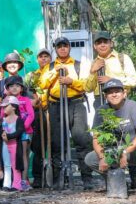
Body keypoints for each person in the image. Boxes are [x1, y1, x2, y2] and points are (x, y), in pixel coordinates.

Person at [85, 79, 136, 198]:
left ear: (124, 93)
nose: (114, 94)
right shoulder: (101, 111)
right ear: (105, 96)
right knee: (90, 159)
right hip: (112, 153)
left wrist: (124, 152)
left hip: (132, 151)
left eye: (117, 91)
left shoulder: (132, 106)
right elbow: (96, 138)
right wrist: (102, 157)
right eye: (110, 92)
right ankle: (116, 181)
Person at [38, 37, 94, 189]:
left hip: (76, 104)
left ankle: (87, 178)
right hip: (55, 105)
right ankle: (58, 179)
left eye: (65, 46)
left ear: (69, 48)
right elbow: (42, 84)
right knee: (57, 142)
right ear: (55, 49)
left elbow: (86, 85)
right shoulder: (49, 67)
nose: (62, 49)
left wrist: (71, 82)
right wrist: (54, 73)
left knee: (82, 139)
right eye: (59, 46)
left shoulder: (78, 65)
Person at [86, 31, 136, 108]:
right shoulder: (93, 63)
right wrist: (92, 72)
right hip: (99, 101)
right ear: (95, 46)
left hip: (120, 99)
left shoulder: (123, 58)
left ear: (111, 43)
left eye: (105, 42)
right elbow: (88, 89)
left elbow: (134, 80)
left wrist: (112, 81)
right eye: (99, 43)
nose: (102, 45)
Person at [0, 76, 35, 191]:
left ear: (21, 88)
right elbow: (2, 115)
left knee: (23, 155)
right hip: (9, 133)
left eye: (17, 85)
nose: (14, 88)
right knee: (9, 158)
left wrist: (21, 128)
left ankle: (24, 180)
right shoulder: (6, 100)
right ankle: (11, 181)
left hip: (24, 132)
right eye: (11, 86)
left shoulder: (25, 100)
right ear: (8, 89)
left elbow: (31, 115)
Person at [28, 48, 52, 188]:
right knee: (38, 145)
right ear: (38, 60)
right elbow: (29, 93)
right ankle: (38, 177)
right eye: (41, 56)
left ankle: (55, 174)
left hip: (52, 109)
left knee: (54, 144)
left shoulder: (55, 72)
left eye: (46, 56)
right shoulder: (32, 76)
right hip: (38, 112)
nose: (44, 59)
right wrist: (35, 100)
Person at [0, 96, 28, 191]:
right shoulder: (2, 120)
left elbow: (19, 131)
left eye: (6, 106)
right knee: (7, 164)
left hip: (15, 145)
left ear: (14, 107)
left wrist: (9, 136)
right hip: (5, 145)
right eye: (4, 107)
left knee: (16, 165)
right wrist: (1, 133)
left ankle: (17, 184)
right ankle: (6, 184)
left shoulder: (18, 120)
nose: (4, 108)